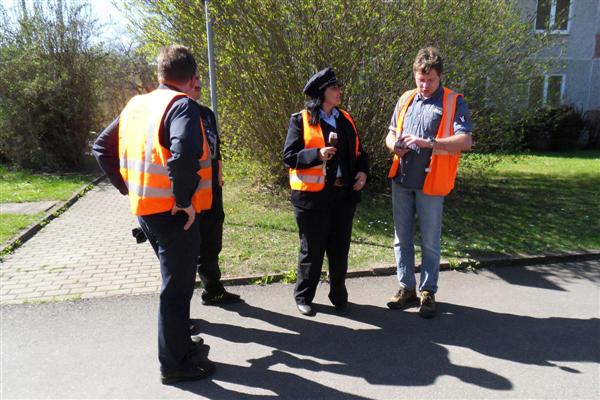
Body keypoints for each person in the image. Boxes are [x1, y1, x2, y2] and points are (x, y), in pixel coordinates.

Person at [92, 45, 215, 384]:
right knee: (175, 292)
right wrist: (183, 199)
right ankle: (175, 365)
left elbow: (101, 147)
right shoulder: (182, 106)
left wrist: (127, 187)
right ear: (191, 78)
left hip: (147, 212)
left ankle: (179, 347)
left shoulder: (136, 104)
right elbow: (182, 155)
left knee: (171, 286)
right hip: (176, 217)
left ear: (160, 75)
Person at [384, 47, 473, 318]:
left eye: (430, 80)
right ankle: (406, 288)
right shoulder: (406, 98)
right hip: (401, 179)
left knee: (430, 241)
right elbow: (390, 134)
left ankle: (428, 292)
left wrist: (429, 143)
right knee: (402, 239)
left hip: (432, 182)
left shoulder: (453, 100)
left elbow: (466, 141)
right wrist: (394, 147)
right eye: (420, 79)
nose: (424, 85)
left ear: (439, 76)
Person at [283, 67, 369, 317]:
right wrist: (316, 154)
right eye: (334, 88)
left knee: (340, 250)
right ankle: (304, 296)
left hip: (343, 196)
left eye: (339, 87)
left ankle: (338, 296)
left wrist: (363, 172)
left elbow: (361, 153)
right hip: (313, 199)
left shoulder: (346, 119)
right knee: (312, 250)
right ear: (322, 93)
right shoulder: (300, 120)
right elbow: (289, 157)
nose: (339, 91)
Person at [189, 81, 241, 306]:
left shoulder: (206, 113)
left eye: (200, 79)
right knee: (187, 249)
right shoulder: (176, 112)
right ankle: (179, 312)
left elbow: (215, 149)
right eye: (193, 80)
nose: (199, 84)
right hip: (188, 192)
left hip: (212, 189)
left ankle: (213, 290)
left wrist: (219, 176)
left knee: (212, 242)